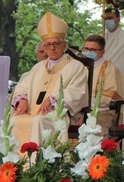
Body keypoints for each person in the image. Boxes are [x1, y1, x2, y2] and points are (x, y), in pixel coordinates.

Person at [11, 12, 88, 146]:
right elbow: (22, 86)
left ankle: (38, 164)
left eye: (57, 43)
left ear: (64, 45)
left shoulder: (76, 67)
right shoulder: (38, 67)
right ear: (44, 48)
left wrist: (53, 100)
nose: (52, 48)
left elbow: (77, 92)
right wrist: (22, 99)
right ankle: (16, 165)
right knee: (13, 120)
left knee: (39, 121)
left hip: (54, 114)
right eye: (48, 44)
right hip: (31, 111)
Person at [81, 34, 123, 138]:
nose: (88, 52)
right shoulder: (79, 66)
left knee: (94, 127)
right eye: (86, 49)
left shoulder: (109, 68)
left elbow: (110, 97)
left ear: (102, 52)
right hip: (78, 111)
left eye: (93, 50)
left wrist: (87, 104)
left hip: (101, 112)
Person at [103, 7, 124, 75]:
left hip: (117, 74)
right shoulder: (102, 38)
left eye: (110, 18)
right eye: (105, 18)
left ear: (118, 19)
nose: (107, 21)